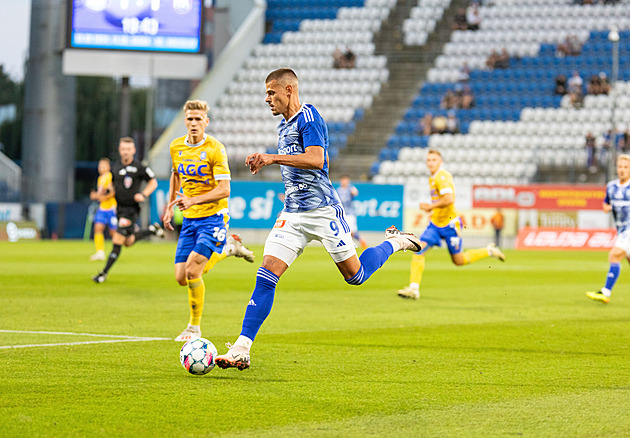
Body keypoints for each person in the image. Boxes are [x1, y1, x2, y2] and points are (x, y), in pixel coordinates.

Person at [214, 68, 422, 370]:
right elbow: (297, 169)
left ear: (289, 90)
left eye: (272, 92)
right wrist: (289, 190)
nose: (267, 99)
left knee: (356, 276)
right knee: (266, 275)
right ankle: (242, 348)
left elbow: (316, 159)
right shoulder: (283, 126)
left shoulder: (309, 118)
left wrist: (272, 158)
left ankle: (396, 241)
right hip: (294, 215)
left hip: (324, 211)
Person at [162, 100, 255, 342]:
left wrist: (194, 201)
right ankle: (229, 248)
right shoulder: (176, 147)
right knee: (181, 278)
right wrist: (170, 206)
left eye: (198, 119)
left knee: (194, 270)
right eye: (190, 119)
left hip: (214, 217)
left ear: (206, 122)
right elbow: (175, 175)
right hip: (191, 219)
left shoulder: (216, 149)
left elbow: (225, 189)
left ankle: (194, 328)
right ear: (185, 121)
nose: (194, 123)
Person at [397, 149, 505, 300]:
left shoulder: (443, 176)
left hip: (450, 225)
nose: (431, 163)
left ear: (440, 162)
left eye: (434, 160)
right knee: (418, 250)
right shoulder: (432, 178)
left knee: (458, 260)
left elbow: (449, 199)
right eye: (428, 160)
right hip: (435, 223)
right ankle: (414, 288)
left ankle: (488, 250)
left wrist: (430, 207)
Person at [92, 137, 164, 283]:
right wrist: (104, 193)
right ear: (120, 150)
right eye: (123, 149)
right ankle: (151, 230)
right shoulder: (116, 167)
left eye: (128, 149)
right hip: (119, 209)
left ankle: (103, 273)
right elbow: (113, 186)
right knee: (128, 241)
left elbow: (153, 182)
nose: (126, 152)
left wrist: (143, 194)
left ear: (134, 150)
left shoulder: (139, 167)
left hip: (131, 210)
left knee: (117, 239)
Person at [587, 154, 630, 304]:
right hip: (622, 230)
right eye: (620, 167)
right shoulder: (611, 186)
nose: (622, 170)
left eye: (625, 167)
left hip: (629, 231)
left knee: (614, 256)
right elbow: (605, 204)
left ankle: (605, 292)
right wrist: (609, 207)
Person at [89, 158, 117, 261]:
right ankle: (100, 252)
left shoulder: (110, 177)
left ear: (108, 167)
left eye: (103, 166)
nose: (100, 168)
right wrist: (96, 195)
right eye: (99, 166)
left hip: (112, 208)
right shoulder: (100, 178)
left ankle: (115, 252)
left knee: (113, 233)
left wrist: (104, 197)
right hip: (102, 208)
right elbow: (101, 194)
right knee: (98, 228)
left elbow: (113, 191)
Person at [337, 175, 368, 250]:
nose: (344, 182)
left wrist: (353, 191)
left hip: (350, 213)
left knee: (351, 231)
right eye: (343, 180)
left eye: (346, 180)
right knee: (344, 230)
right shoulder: (338, 190)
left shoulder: (350, 188)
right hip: (342, 214)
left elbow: (355, 192)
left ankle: (359, 241)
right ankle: (355, 242)